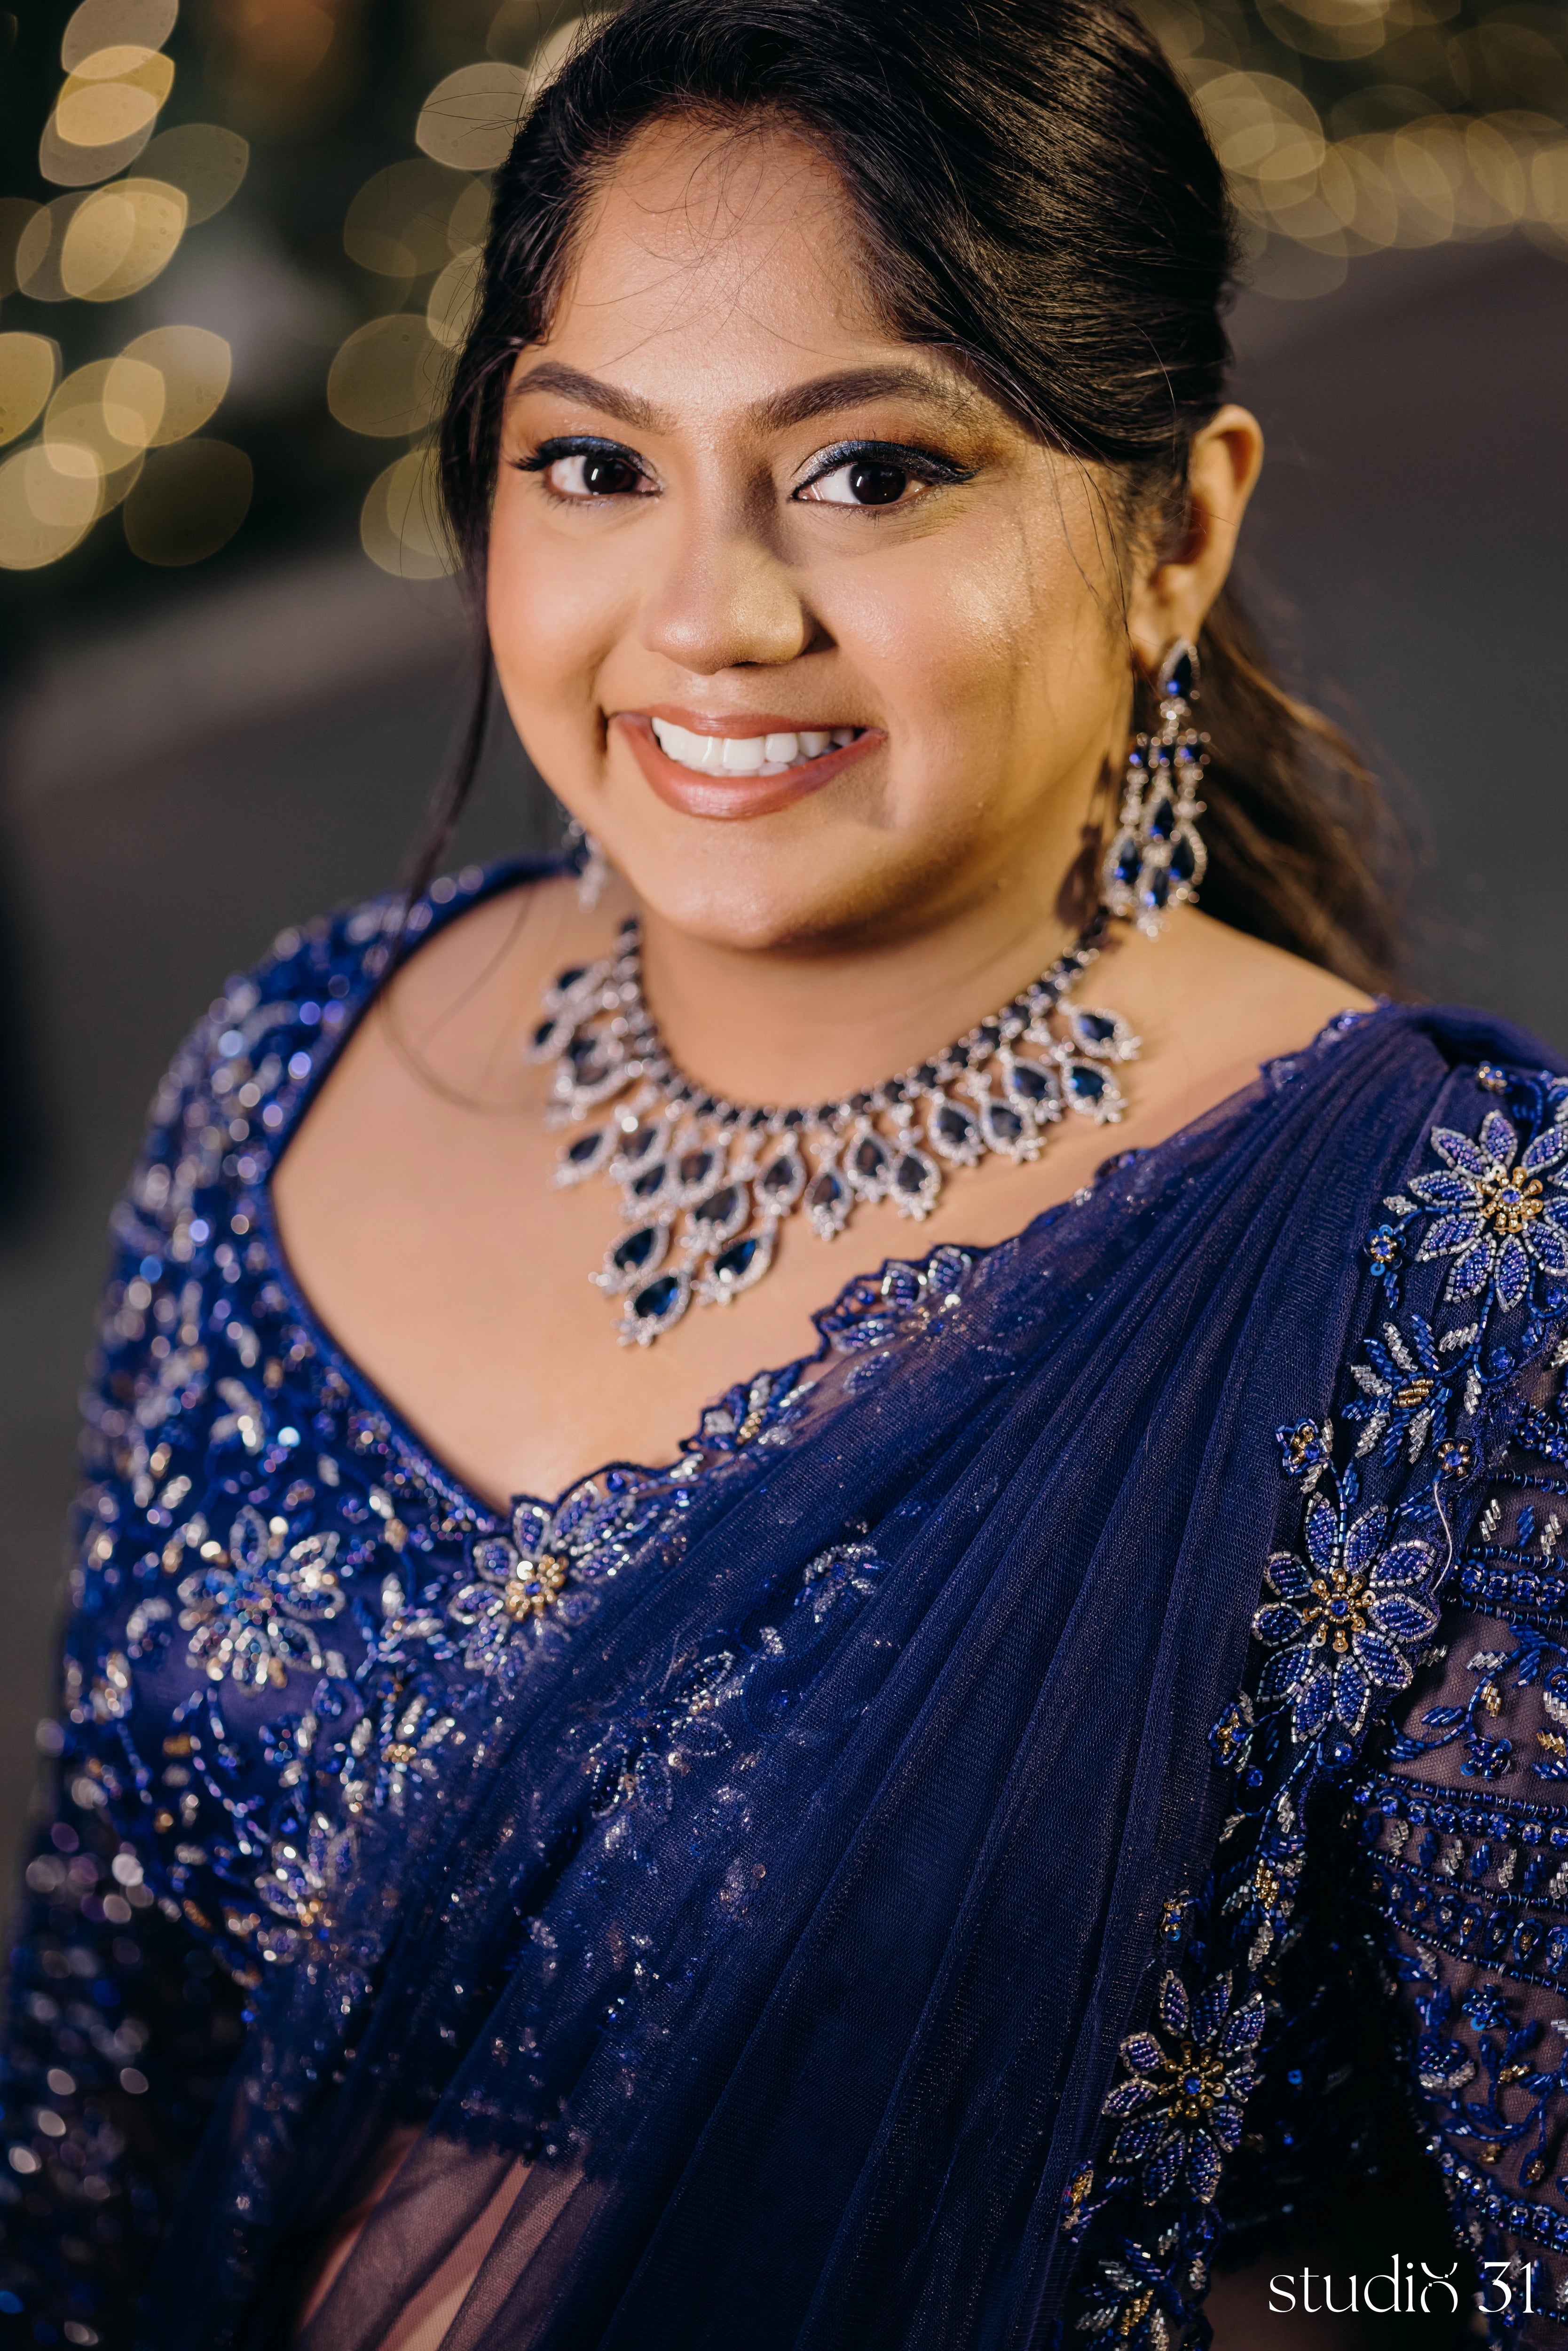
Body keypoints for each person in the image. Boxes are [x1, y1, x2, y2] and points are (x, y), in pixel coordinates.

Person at [2, 1, 1561, 2343]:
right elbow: (105, 2069)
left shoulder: (1442, 1261)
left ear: (1179, 535)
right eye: (598, 467)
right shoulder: (292, 1072)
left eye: (873, 471)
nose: (714, 614)